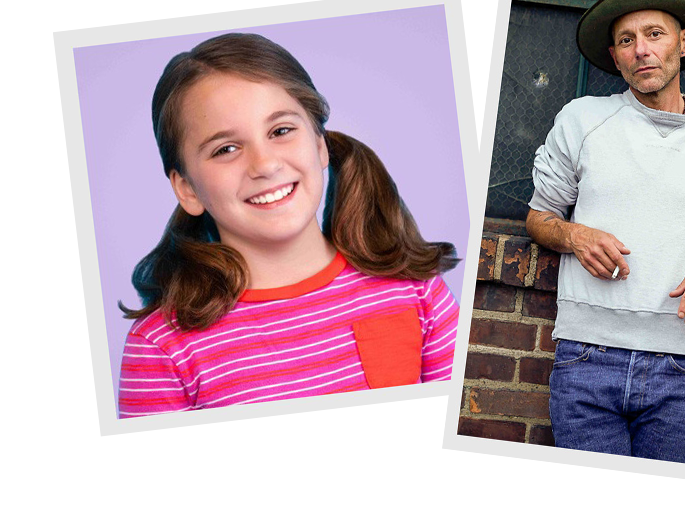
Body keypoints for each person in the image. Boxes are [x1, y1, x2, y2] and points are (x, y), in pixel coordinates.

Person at [117, 32, 460, 418]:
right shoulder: (162, 348)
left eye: (280, 131)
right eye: (225, 149)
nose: (264, 165)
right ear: (187, 189)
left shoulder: (417, 290)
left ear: (319, 145)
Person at [526, 0, 685, 463]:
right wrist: (573, 234)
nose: (641, 50)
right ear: (615, 56)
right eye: (626, 40)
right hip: (585, 356)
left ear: (683, 42)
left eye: (654, 34)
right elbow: (539, 216)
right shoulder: (582, 119)